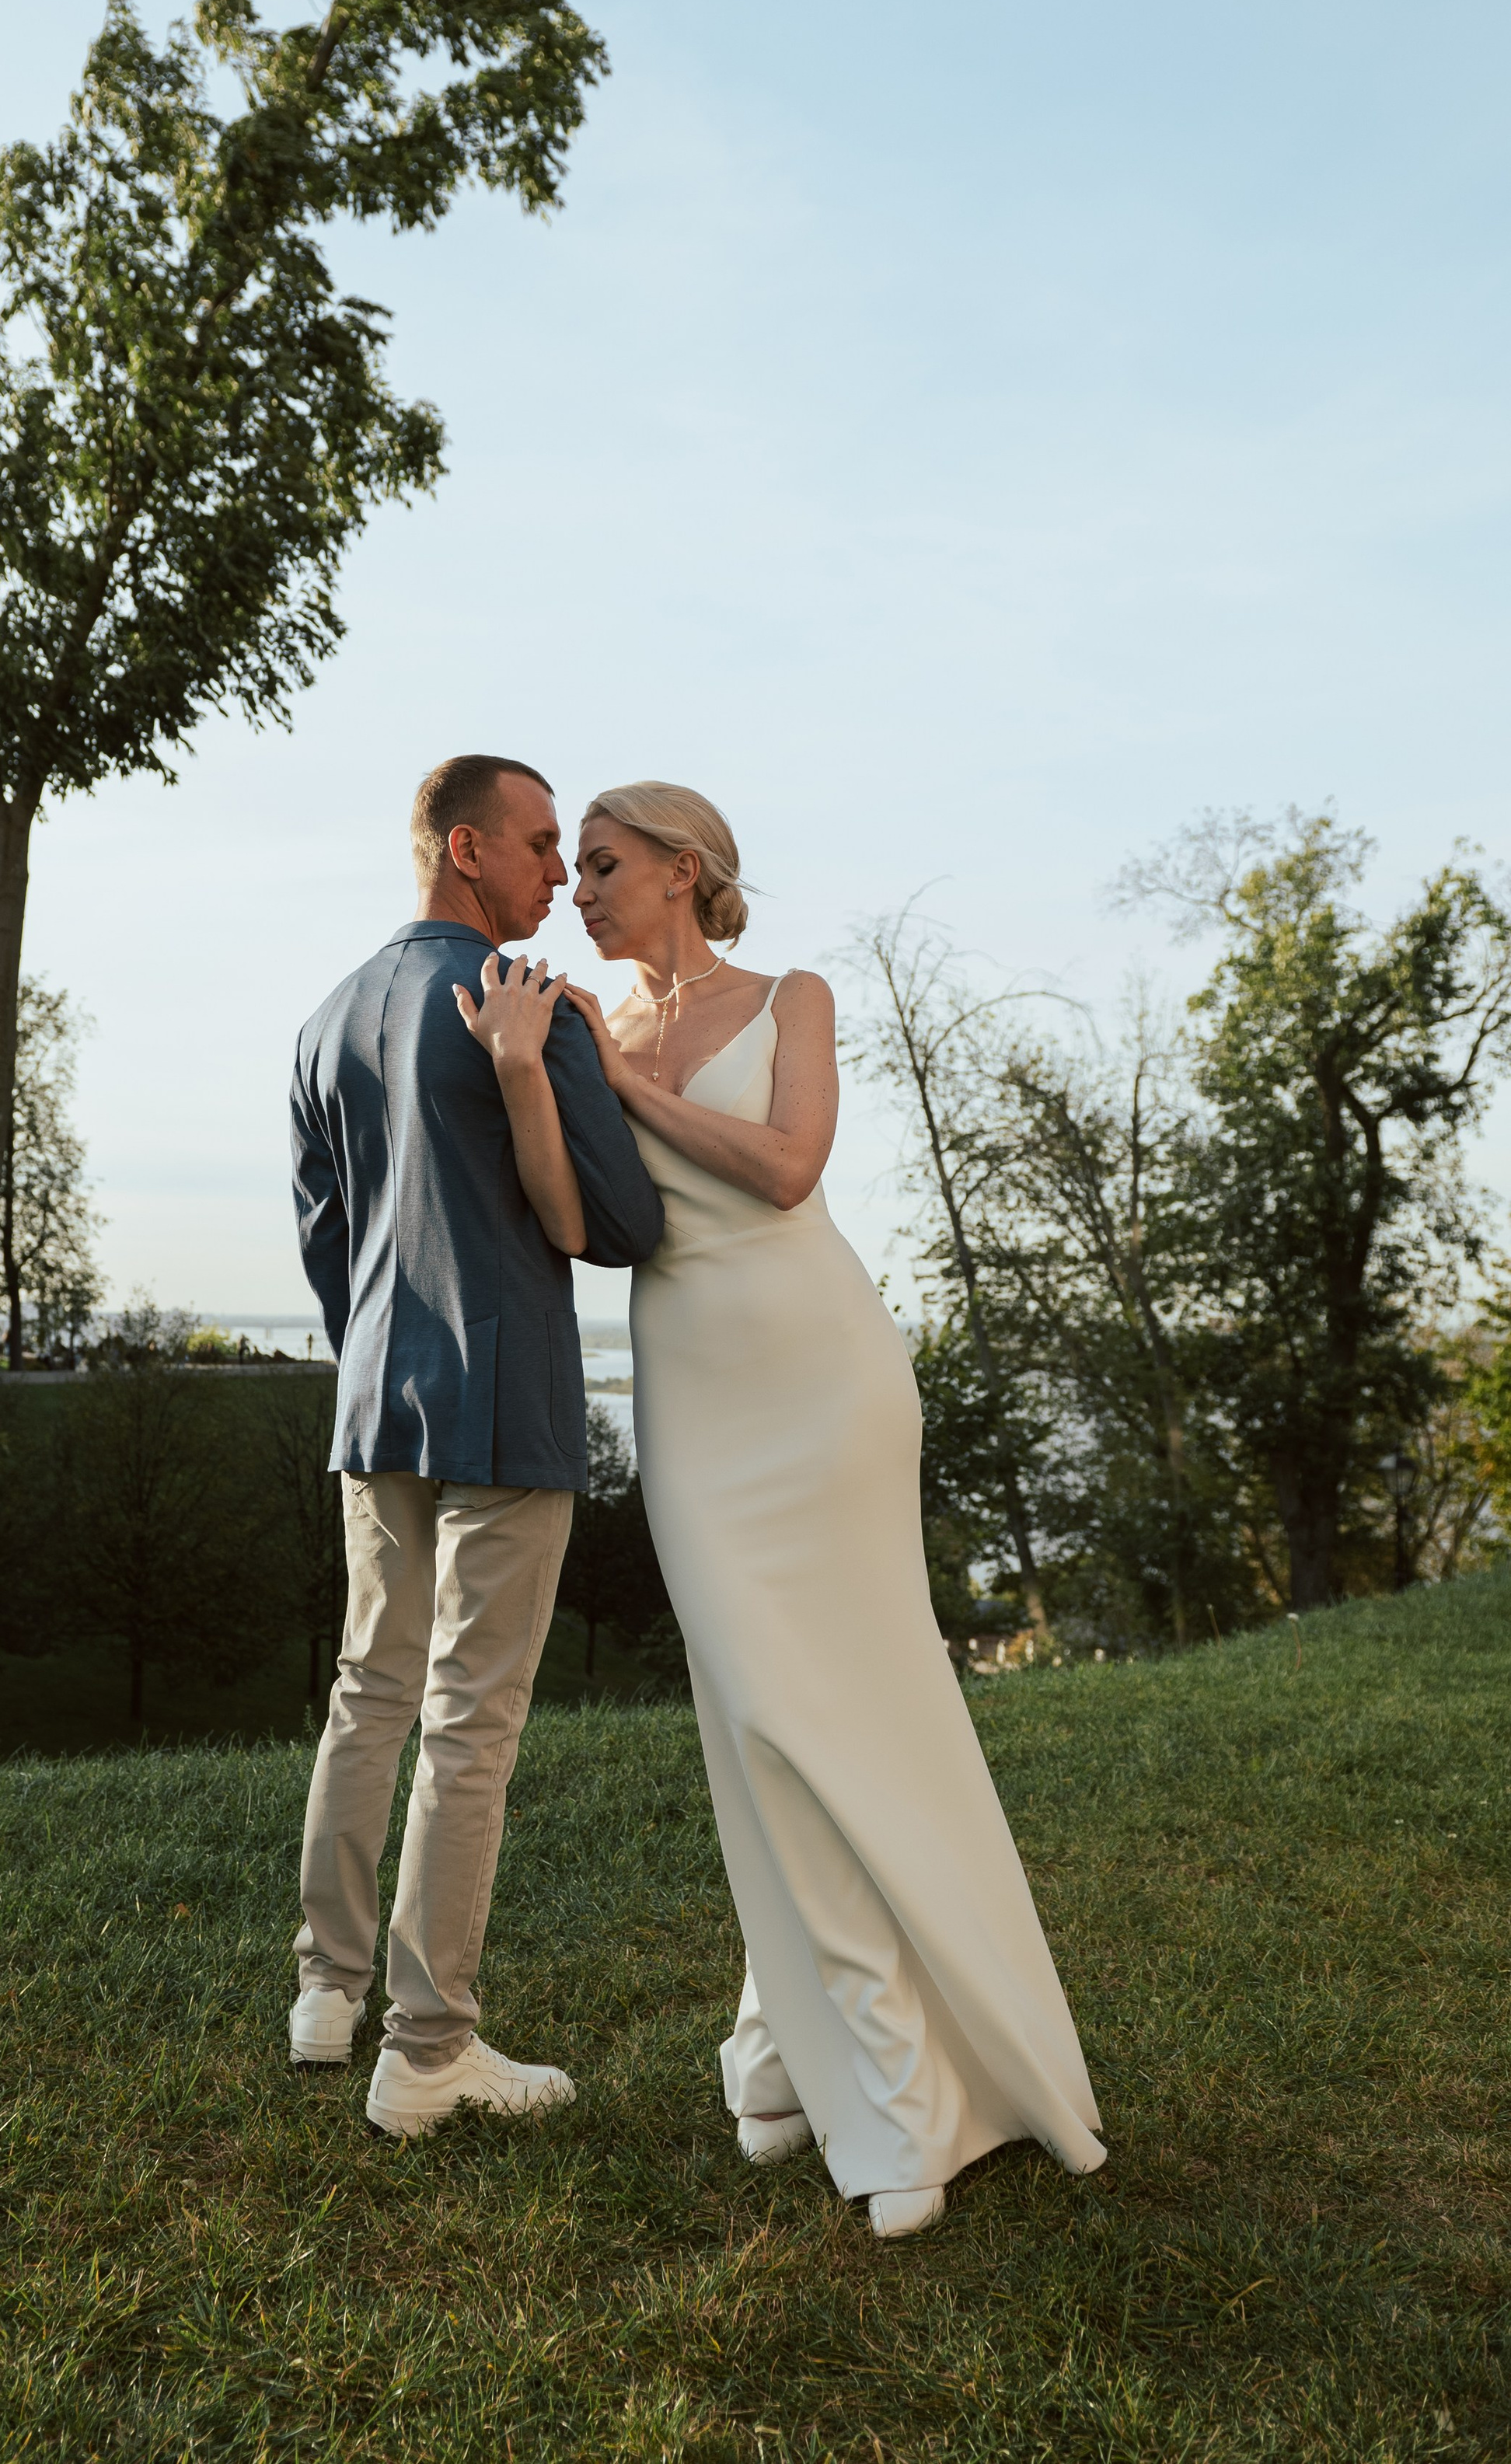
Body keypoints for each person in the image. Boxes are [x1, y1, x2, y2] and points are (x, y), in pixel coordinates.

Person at [554, 780, 1108, 2242]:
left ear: (684, 868)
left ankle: (889, 2096)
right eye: (575, 869)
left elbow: (790, 1171)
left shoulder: (790, 994)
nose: (579, 889)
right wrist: (523, 1076)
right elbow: (579, 1222)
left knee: (856, 1715)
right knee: (757, 1724)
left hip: (826, 1383)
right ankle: (787, 2048)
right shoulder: (586, 1033)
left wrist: (630, 1093)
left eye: (603, 864)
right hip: (695, 1401)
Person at [288, 753, 666, 2139]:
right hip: (506, 1401)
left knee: (368, 1687)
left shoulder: (327, 1018)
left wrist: (384, 1348)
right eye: (543, 844)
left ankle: (326, 1993)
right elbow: (624, 1224)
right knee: (471, 1719)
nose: (561, 873)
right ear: (466, 849)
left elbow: (327, 1243)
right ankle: (430, 2048)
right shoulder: (531, 1011)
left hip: (379, 1396)